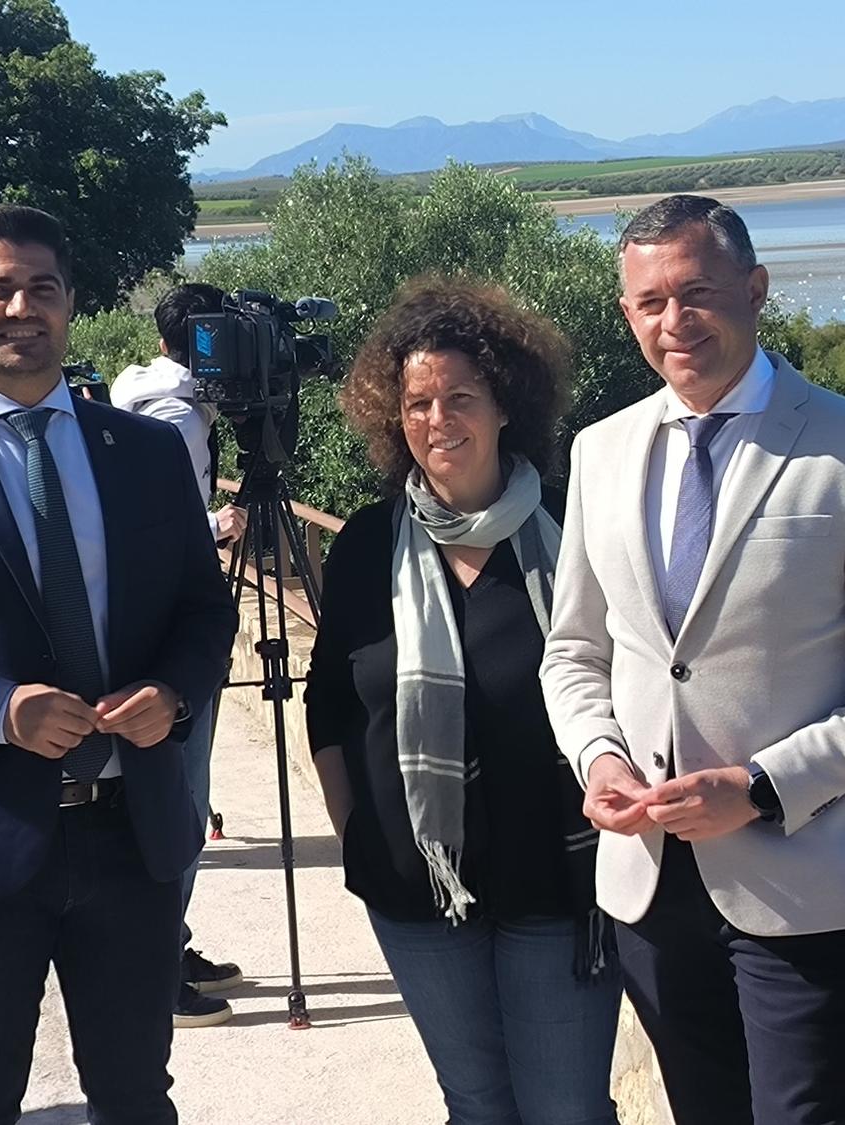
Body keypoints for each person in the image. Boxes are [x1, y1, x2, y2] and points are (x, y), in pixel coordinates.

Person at [538, 194, 845, 1125]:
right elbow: (573, 651)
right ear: (626, 313)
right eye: (650, 302)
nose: (674, 321)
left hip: (798, 874)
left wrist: (762, 785)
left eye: (697, 292)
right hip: (647, 879)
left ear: (756, 289)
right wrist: (599, 756)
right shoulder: (601, 452)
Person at [0, 204, 238, 1124]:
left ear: (71, 306)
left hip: (131, 836)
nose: (21, 307)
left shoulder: (143, 453)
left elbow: (202, 610)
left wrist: (175, 695)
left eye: (43, 289)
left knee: (137, 1096)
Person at [304, 276, 622, 1125]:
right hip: (415, 892)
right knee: (477, 1106)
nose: (437, 420)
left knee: (567, 1110)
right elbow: (329, 703)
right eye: (417, 402)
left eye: (459, 397)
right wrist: (356, 832)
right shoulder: (370, 545)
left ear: (506, 404)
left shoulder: (576, 524)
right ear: (391, 415)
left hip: (560, 885)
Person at [109, 281, 248, 1028]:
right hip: (170, 637)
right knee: (182, 802)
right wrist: (216, 526)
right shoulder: (176, 414)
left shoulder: (137, 389)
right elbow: (155, 523)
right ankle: (160, 966)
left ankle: (169, 942)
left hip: (142, 630)